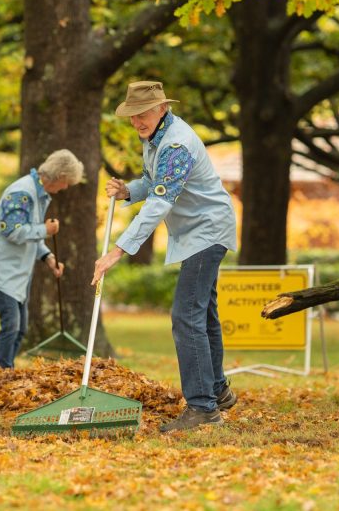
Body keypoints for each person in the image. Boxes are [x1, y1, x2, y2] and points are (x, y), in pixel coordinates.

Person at [92, 81, 239, 433]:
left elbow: (160, 202)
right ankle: (216, 391)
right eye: (132, 116)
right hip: (198, 231)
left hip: (207, 230)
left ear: (161, 108)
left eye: (143, 114)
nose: (137, 122)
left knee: (186, 315)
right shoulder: (156, 137)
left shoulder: (176, 143)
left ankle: (203, 408)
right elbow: (153, 182)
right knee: (202, 313)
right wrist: (129, 190)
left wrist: (118, 250)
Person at [0, 150, 85, 369]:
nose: (66, 187)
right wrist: (45, 229)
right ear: (59, 175)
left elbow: (31, 234)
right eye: (66, 182)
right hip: (0, 270)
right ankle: (2, 374)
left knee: (21, 328)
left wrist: (48, 257)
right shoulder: (22, 192)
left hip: (17, 272)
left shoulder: (38, 195)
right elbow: (12, 231)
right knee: (11, 325)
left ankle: (7, 371)